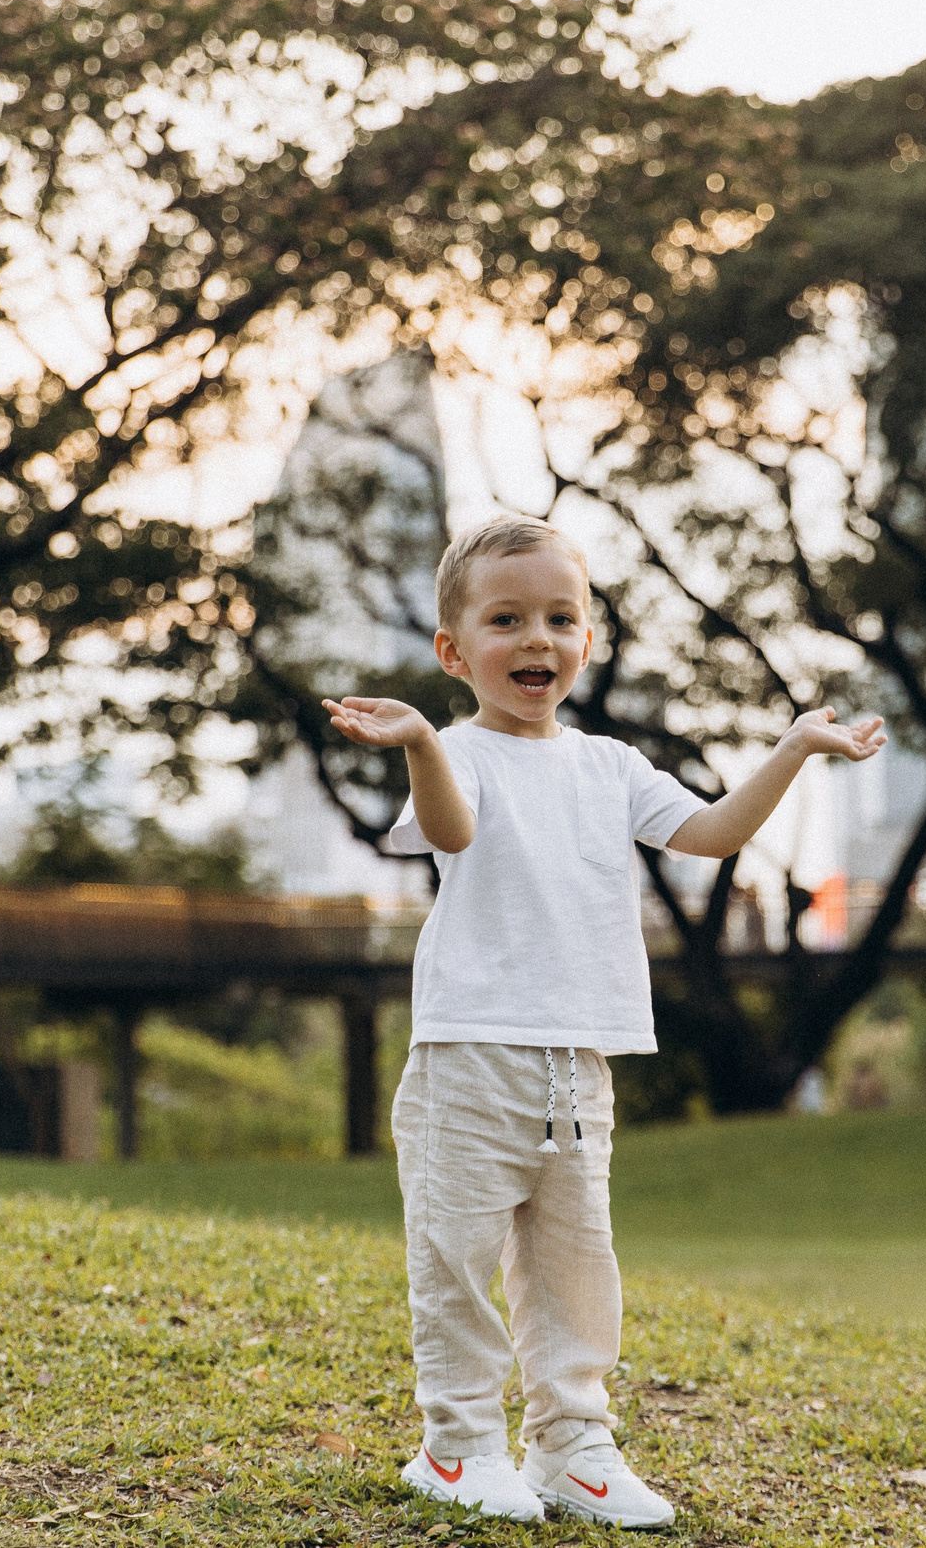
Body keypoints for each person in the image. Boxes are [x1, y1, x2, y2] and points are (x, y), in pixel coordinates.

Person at [322, 515, 884, 1528]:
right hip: (469, 1056)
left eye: (558, 617)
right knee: (453, 1257)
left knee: (576, 1268)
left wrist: (796, 746)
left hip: (577, 1064)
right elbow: (449, 833)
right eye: (505, 620)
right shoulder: (456, 753)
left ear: (588, 640)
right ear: (454, 652)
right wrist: (413, 744)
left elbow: (710, 834)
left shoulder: (608, 766)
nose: (535, 639)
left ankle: (572, 1447)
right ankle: (455, 1450)